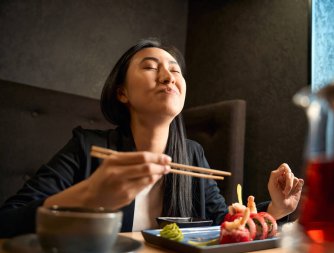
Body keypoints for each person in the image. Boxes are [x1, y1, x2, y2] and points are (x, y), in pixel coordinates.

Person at [0, 38, 303, 237]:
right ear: (122, 92)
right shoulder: (88, 147)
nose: (168, 76)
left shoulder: (192, 154)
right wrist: (88, 196)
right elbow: (8, 221)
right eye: (150, 67)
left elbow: (222, 224)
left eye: (175, 70)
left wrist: (277, 209)